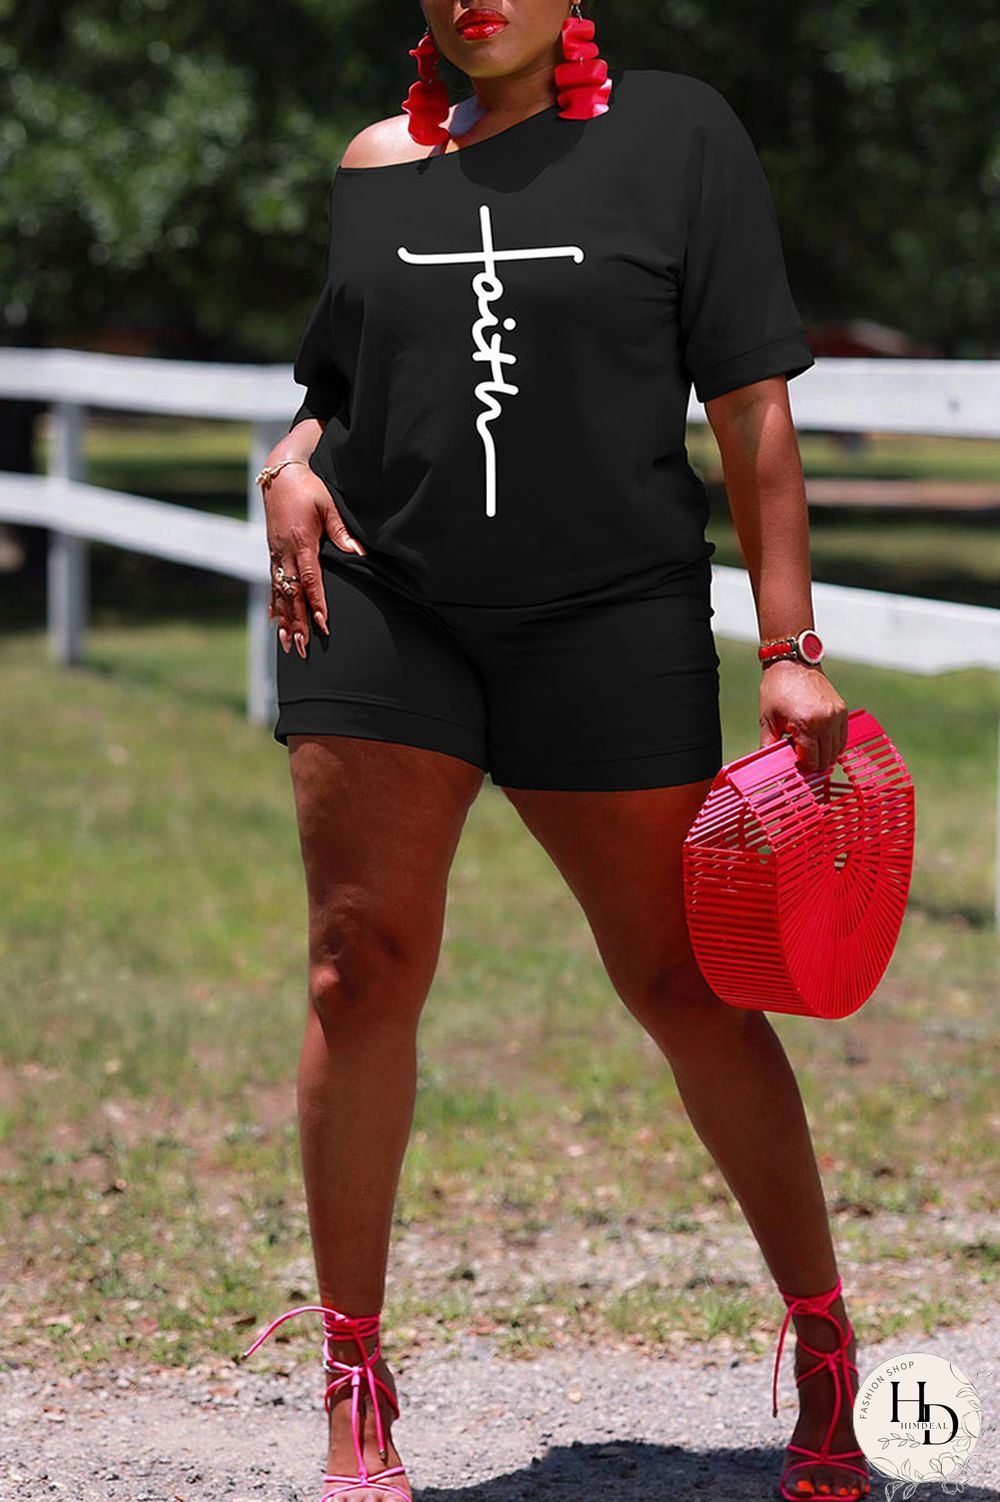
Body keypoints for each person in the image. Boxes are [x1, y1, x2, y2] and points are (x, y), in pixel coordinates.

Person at [241, 5, 867, 1502]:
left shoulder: (677, 136)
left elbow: (753, 411)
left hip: (611, 616)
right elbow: (342, 382)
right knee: (355, 964)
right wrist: (286, 460)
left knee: (684, 980)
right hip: (387, 609)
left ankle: (828, 1342)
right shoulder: (377, 162)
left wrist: (787, 649)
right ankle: (354, 1379)